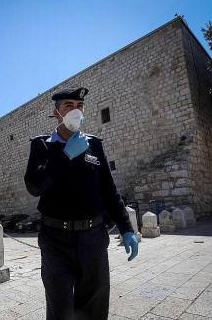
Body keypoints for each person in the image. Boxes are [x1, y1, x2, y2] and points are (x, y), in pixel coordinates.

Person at [24, 87, 139, 320]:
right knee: (61, 310)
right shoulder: (42, 146)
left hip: (93, 239)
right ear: (57, 112)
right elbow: (34, 186)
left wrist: (127, 229)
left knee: (94, 308)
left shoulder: (94, 145)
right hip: (56, 240)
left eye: (80, 106)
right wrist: (65, 155)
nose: (75, 111)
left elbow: (109, 190)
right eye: (69, 106)